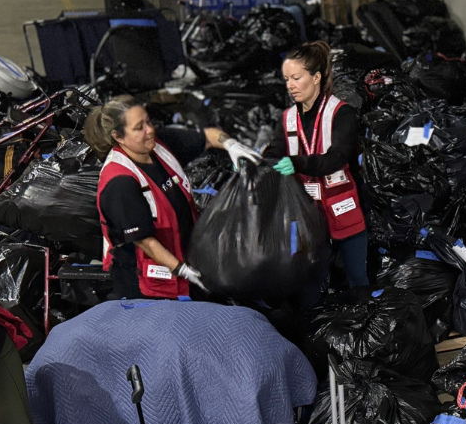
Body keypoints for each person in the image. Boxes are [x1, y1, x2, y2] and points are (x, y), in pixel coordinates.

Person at [85, 95, 260, 300]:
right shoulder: (119, 181)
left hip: (186, 262)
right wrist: (182, 270)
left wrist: (231, 145)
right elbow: (145, 241)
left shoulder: (159, 144)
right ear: (118, 137)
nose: (150, 130)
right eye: (139, 127)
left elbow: (209, 136)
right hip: (148, 285)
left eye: (148, 122)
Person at [266, 40, 369, 291]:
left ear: (316, 77)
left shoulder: (341, 113)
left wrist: (297, 162)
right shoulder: (288, 118)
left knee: (357, 277)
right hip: (305, 213)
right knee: (309, 282)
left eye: (296, 78)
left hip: (343, 208)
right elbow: (274, 151)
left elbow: (337, 158)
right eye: (286, 79)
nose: (290, 85)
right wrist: (255, 163)